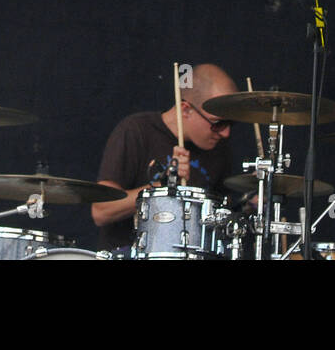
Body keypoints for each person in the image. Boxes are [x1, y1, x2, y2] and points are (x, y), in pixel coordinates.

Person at [91, 63, 237, 251]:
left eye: (231, 124)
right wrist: (164, 185)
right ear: (186, 109)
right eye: (218, 123)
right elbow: (101, 211)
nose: (225, 133)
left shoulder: (220, 149)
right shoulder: (136, 131)